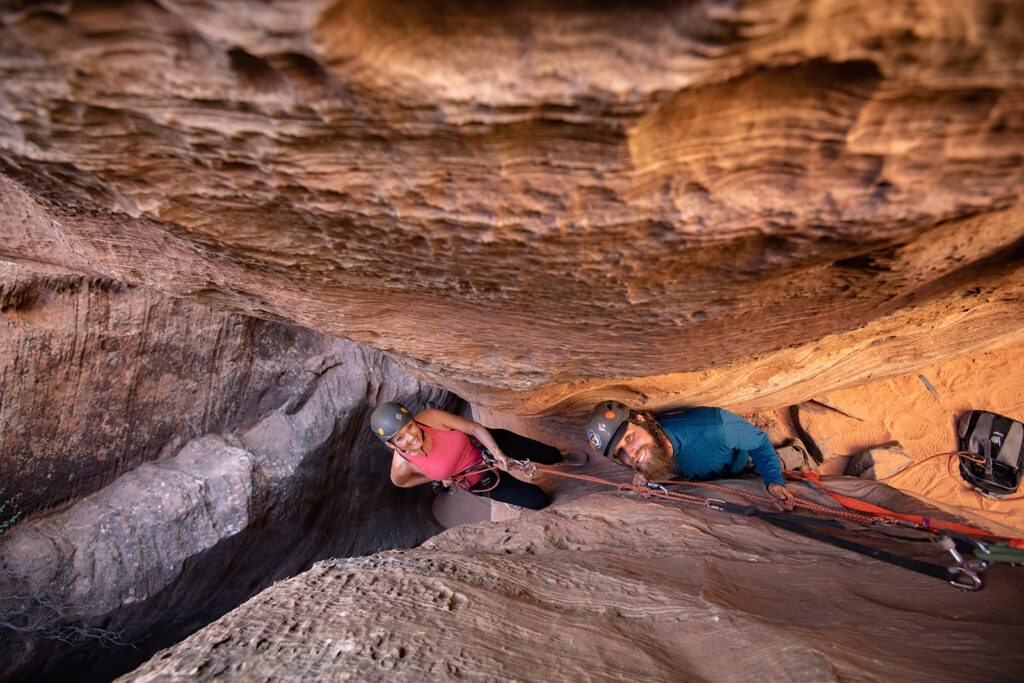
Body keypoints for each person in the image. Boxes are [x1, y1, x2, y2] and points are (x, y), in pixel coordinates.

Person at [585, 401, 798, 511]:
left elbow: (760, 442)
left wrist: (774, 482)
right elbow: (658, 469)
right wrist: (646, 480)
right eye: (619, 453)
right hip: (713, 480)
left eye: (629, 438)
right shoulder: (651, 451)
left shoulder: (714, 426)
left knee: (785, 466)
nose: (630, 454)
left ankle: (798, 453)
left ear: (640, 420)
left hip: (746, 463)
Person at [370, 402, 568, 510]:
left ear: (413, 420)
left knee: (551, 455)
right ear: (390, 444)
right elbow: (401, 483)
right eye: (400, 438)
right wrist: (433, 476)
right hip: (477, 478)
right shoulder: (401, 467)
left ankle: (559, 459)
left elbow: (473, 428)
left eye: (410, 426)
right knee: (538, 501)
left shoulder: (430, 418)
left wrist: (498, 453)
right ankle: (512, 498)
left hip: (487, 444)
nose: (411, 436)